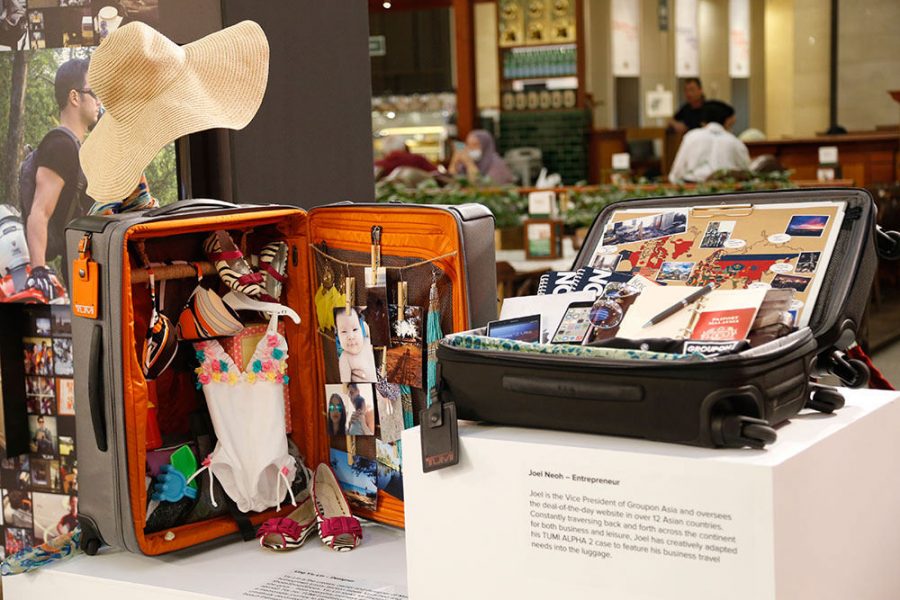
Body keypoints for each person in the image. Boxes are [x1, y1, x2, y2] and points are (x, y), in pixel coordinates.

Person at [25, 57, 101, 297]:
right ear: (75, 97)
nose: (99, 101)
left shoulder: (76, 147)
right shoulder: (60, 146)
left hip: (84, 264)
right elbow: (40, 211)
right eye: (94, 93)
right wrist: (39, 270)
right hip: (78, 269)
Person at [668, 100, 750, 184]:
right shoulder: (735, 141)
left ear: (703, 121)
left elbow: (676, 172)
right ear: (726, 121)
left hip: (693, 186)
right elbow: (747, 172)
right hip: (727, 187)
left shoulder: (691, 136)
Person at [448, 129, 515, 185]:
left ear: (485, 146)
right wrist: (454, 162)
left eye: (475, 145)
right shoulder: (466, 163)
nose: (471, 148)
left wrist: (470, 164)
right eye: (468, 145)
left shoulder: (497, 164)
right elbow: (453, 182)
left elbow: (483, 187)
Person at [334, 306, 378, 383]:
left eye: (355, 329)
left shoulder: (368, 343)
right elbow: (345, 383)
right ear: (337, 335)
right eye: (344, 332)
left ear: (361, 328)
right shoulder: (345, 358)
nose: (351, 337)